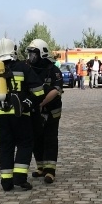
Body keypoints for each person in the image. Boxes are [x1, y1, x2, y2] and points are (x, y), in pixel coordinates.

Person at [0, 38, 45, 191]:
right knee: (25, 144)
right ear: (14, 50)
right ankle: (20, 177)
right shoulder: (23, 67)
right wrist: (28, 102)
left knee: (6, 146)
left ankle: (6, 181)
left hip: (2, 114)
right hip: (21, 114)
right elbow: (39, 91)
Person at [26, 39, 63, 184]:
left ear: (42, 53)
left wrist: (42, 103)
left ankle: (50, 171)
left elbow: (56, 90)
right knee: (37, 138)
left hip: (52, 110)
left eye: (33, 54)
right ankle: (41, 167)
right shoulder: (29, 69)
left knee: (50, 138)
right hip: (35, 110)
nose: (31, 57)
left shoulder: (53, 70)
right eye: (30, 54)